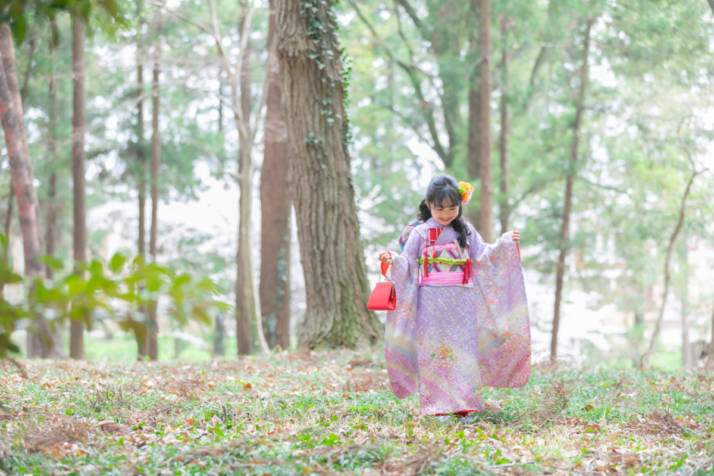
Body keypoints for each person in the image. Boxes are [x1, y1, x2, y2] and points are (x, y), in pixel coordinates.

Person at [378, 174, 530, 418]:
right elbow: (407, 264)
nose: (446, 214)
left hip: (462, 300)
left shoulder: (465, 231)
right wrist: (392, 260)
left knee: (463, 352)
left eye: (452, 208)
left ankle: (464, 406)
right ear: (428, 205)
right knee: (435, 351)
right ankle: (437, 406)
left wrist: (505, 243)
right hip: (431, 300)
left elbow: (484, 256)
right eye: (440, 208)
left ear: (460, 206)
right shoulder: (420, 233)